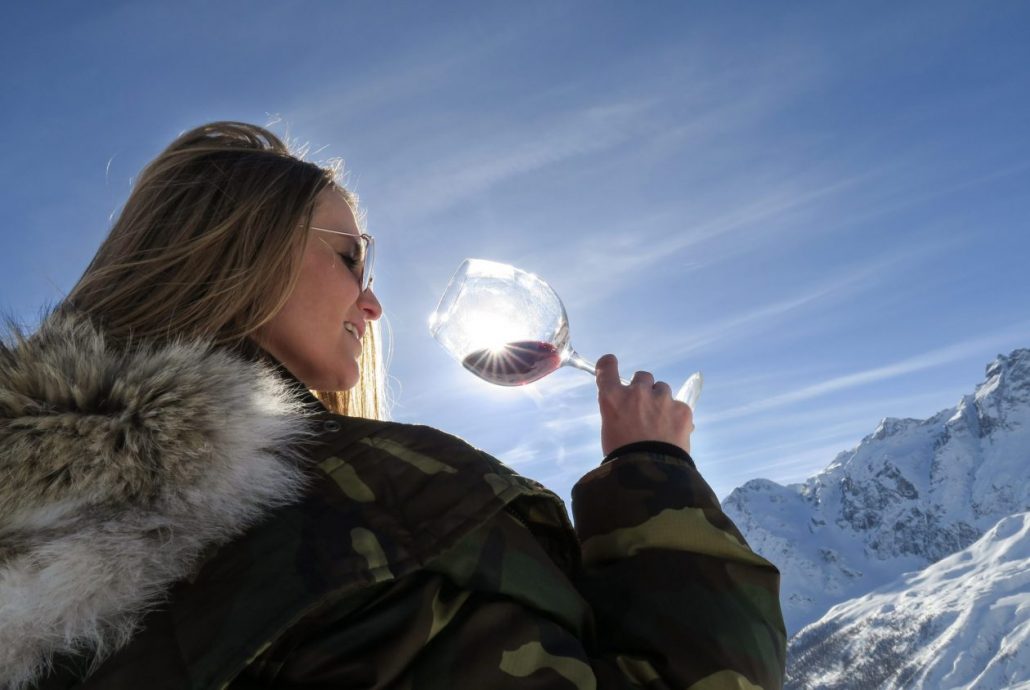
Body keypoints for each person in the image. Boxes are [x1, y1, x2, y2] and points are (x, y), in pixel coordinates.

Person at [0, 122, 786, 689]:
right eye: (350, 257)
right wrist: (655, 477)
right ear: (244, 249)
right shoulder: (375, 515)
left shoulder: (40, 534)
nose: (373, 307)